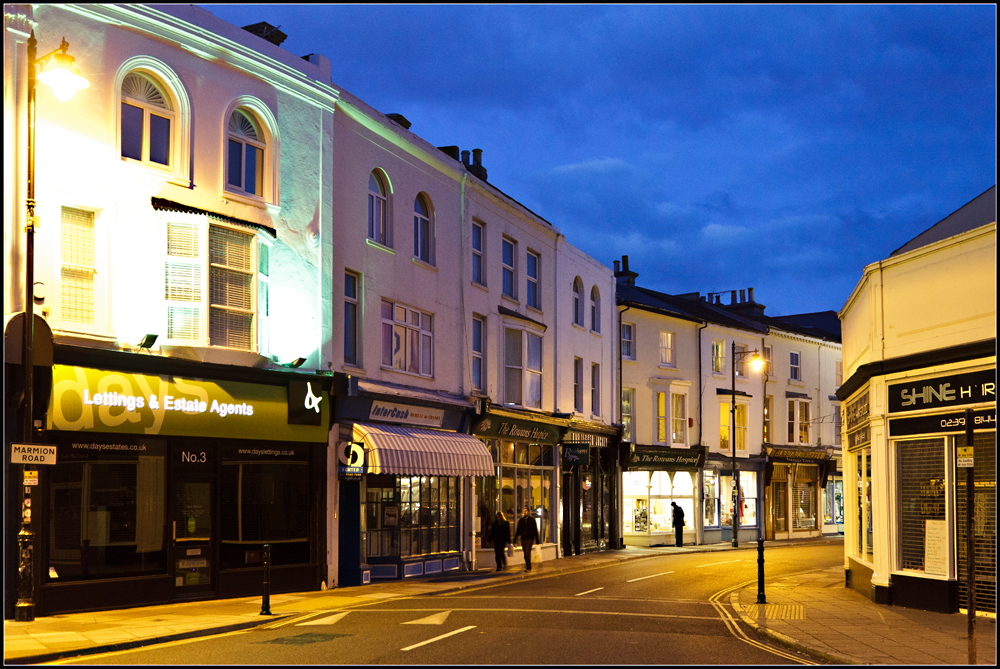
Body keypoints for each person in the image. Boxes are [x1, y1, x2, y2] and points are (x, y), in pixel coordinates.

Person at [514, 506, 540, 572]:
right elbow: (518, 530)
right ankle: (528, 565)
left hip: (530, 538)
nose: (525, 512)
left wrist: (537, 541)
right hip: (523, 538)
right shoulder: (521, 520)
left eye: (526, 511)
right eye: (524, 511)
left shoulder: (532, 520)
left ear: (528, 512)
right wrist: (515, 539)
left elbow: (535, 530)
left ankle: (528, 567)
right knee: (525, 554)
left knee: (527, 552)